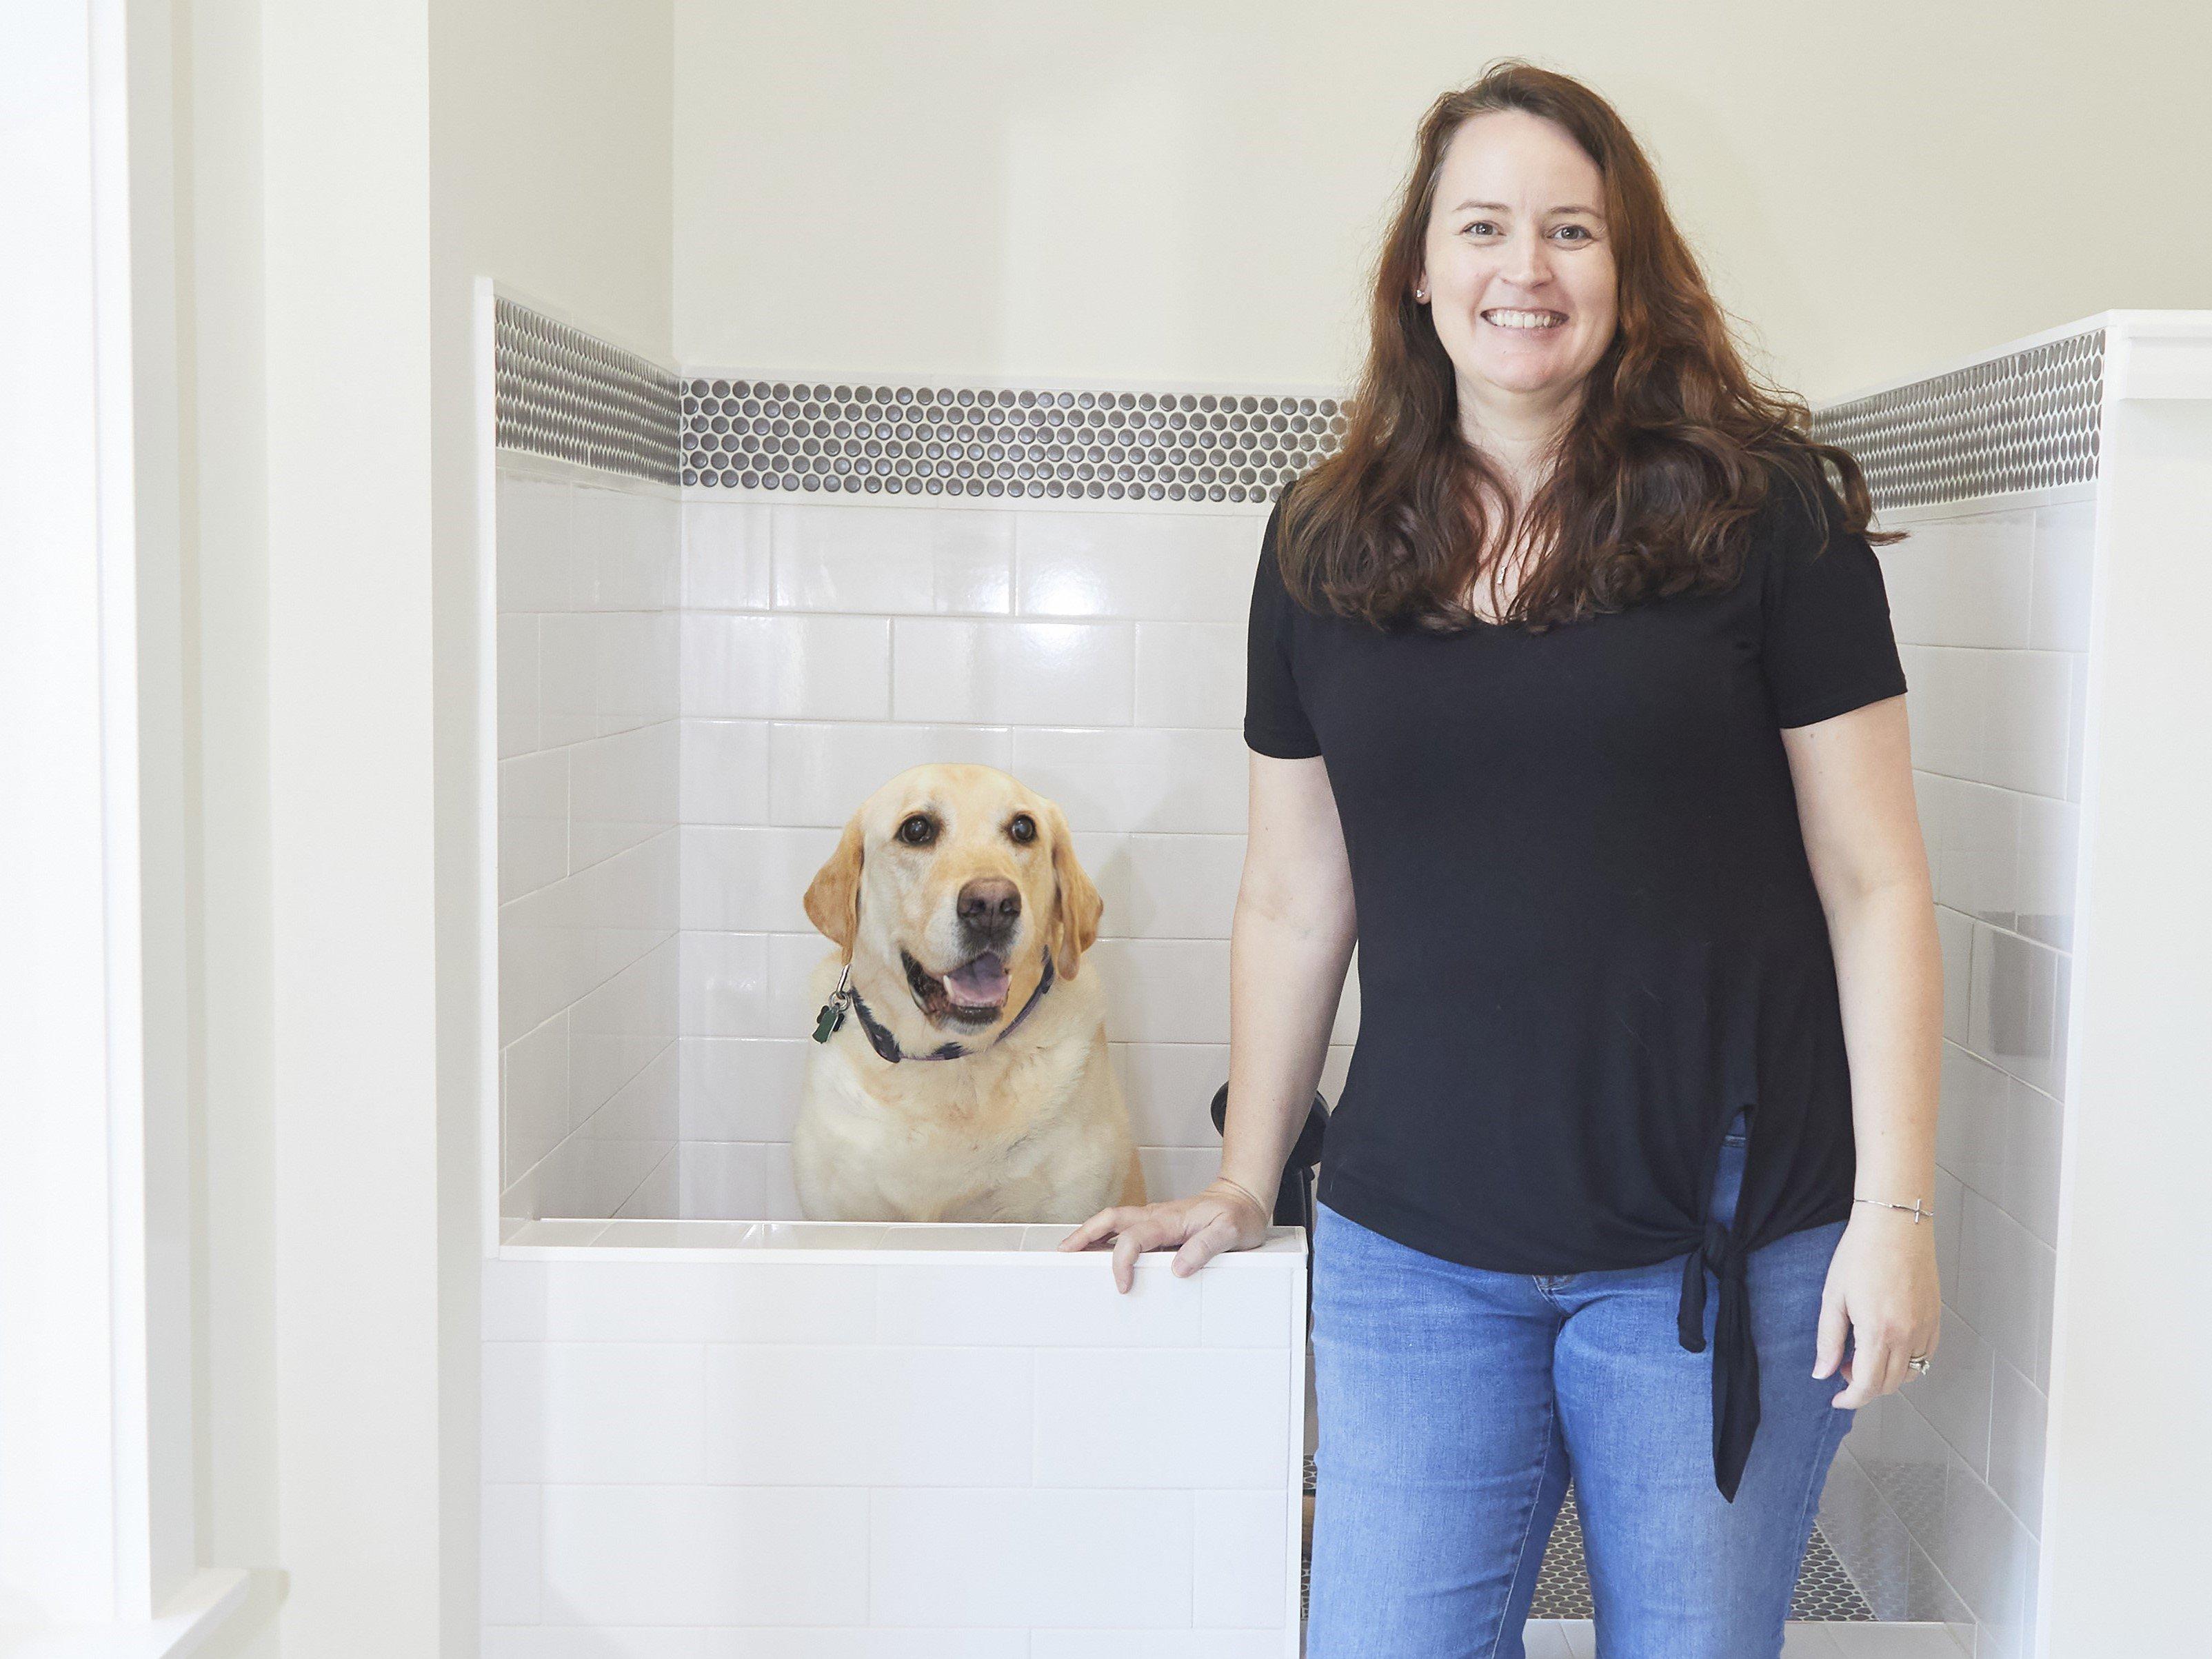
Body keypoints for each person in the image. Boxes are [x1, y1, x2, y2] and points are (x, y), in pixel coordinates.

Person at [1058, 59, 1945, 1659]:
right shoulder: (1319, 540)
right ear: (1418, 269)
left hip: (1717, 1245)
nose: (1521, 271)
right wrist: (1245, 1179)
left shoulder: (1767, 521)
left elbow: (1874, 882)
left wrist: (1896, 1212)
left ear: (1630, 270)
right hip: (1415, 1254)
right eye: (1481, 227)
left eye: (1568, 231)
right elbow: (1289, 892)